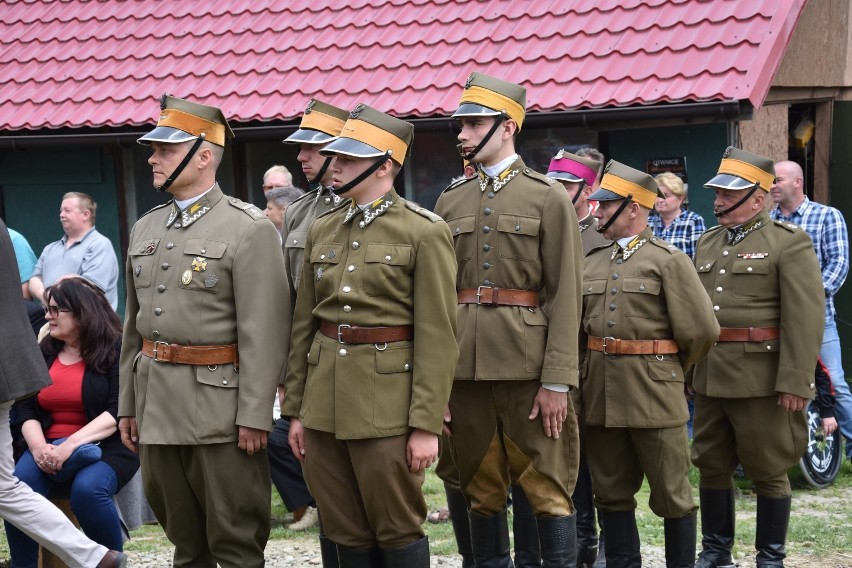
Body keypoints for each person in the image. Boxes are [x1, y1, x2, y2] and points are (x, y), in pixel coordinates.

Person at [118, 94, 289, 568]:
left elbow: (266, 330)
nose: (152, 158)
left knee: (234, 542)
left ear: (204, 155)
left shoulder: (248, 228)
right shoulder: (145, 228)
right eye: (154, 150)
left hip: (221, 412)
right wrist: (128, 405)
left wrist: (256, 413)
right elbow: (134, 330)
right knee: (185, 544)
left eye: (165, 150)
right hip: (156, 406)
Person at [284, 103, 458, 566]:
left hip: (386, 404)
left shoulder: (424, 231)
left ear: (385, 165)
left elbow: (438, 337)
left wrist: (424, 425)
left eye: (348, 158)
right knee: (341, 528)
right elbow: (304, 326)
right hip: (323, 405)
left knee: (396, 525)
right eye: (334, 156)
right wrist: (296, 410)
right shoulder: (322, 228)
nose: (334, 164)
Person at [434, 71, 583, 567]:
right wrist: (436, 386)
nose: (462, 134)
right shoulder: (449, 201)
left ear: (508, 127)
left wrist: (558, 380)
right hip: (464, 370)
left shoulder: (548, 197)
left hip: (529, 370)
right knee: (480, 488)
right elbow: (436, 301)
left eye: (475, 124)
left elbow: (565, 294)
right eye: (461, 125)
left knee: (548, 489)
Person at [581, 160, 719, 567]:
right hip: (601, 396)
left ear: (634, 209)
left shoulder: (668, 260)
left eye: (606, 205)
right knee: (610, 492)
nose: (597, 211)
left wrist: (670, 370)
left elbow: (701, 330)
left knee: (672, 493)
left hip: (655, 396)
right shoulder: (591, 260)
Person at [691, 147, 824, 568]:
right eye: (717, 194)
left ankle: (770, 557)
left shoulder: (789, 243)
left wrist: (795, 381)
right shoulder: (708, 242)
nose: (718, 202)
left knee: (768, 469)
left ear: (759, 198)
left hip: (762, 378)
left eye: (729, 196)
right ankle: (715, 551)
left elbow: (805, 318)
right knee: (711, 464)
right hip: (711, 374)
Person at [0, 219, 126, 568]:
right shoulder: (44, 347)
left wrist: (70, 446)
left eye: (56, 311)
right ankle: (23, 565)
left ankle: (108, 561)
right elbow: (23, 409)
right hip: (45, 444)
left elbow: (116, 413)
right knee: (19, 484)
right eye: (47, 309)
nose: (47, 317)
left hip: (103, 445)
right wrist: (40, 447)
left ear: (83, 315)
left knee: (88, 490)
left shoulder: (115, 349)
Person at [274, 99, 350, 551]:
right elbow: (289, 302)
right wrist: (288, 377)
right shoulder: (300, 211)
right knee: (324, 482)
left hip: (371, 360)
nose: (301, 158)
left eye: (311, 149)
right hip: (313, 365)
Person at [547, 149, 608, 568]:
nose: (557, 193)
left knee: (600, 458)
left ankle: (601, 541)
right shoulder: (546, 229)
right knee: (566, 457)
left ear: (587, 190)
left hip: (593, 363)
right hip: (553, 360)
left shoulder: (602, 237)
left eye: (566, 186)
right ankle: (580, 539)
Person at [769, 160, 852, 464]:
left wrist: (806, 300)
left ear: (797, 182)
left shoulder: (827, 216)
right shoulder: (768, 222)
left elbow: (839, 265)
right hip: (776, 322)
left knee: (837, 386)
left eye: (777, 180)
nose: (771, 186)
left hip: (820, 319)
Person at [28, 192, 120, 310]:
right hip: (52, 322)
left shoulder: (100, 244)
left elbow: (89, 287)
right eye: (61, 211)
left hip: (89, 324)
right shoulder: (50, 248)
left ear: (86, 214)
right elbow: (34, 279)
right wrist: (45, 296)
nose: (61, 215)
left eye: (67, 210)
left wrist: (57, 294)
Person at [647, 172, 706, 259]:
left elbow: (699, 258)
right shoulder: (647, 222)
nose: (660, 200)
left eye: (665, 196)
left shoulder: (693, 221)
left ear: (680, 198)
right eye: (657, 195)